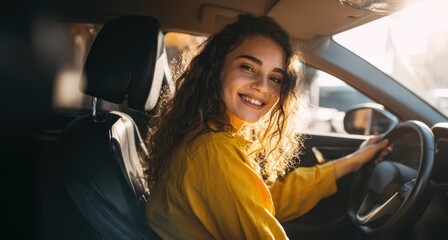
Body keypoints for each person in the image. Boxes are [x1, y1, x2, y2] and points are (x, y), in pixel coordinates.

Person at [144, 14, 389, 239]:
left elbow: (266, 200)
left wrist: (353, 161)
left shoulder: (208, 135)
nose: (263, 86)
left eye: (275, 78)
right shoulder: (213, 149)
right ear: (217, 68)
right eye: (248, 67)